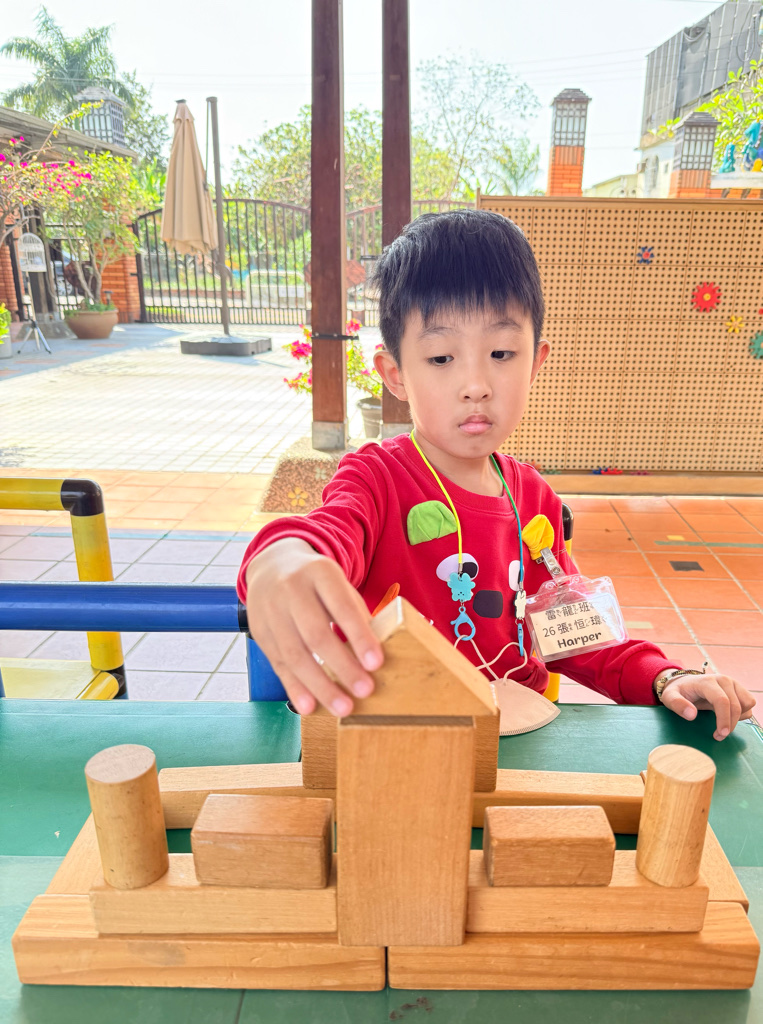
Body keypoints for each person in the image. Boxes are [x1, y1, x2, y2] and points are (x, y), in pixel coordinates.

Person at [237, 209, 755, 740]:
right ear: (395, 374)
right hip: (399, 741)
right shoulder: (375, 480)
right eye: (441, 358)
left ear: (535, 363)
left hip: (517, 737)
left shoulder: (534, 500)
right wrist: (282, 556)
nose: (476, 385)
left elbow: (577, 634)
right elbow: (327, 532)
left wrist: (666, 677)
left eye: (501, 353)